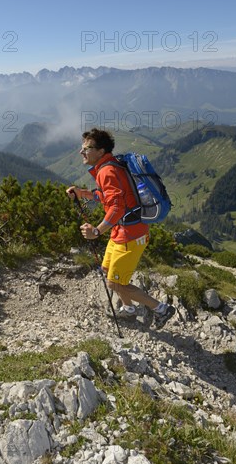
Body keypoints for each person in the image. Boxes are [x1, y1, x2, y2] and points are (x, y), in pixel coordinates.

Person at [66, 128, 176, 329]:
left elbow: (117, 207)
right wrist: (83, 193)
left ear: (101, 151)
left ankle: (161, 309)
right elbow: (107, 196)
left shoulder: (107, 170)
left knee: (115, 283)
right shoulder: (108, 166)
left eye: (87, 148)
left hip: (130, 236)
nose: (82, 152)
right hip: (122, 232)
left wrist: (97, 231)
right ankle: (129, 309)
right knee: (108, 271)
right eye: (82, 148)